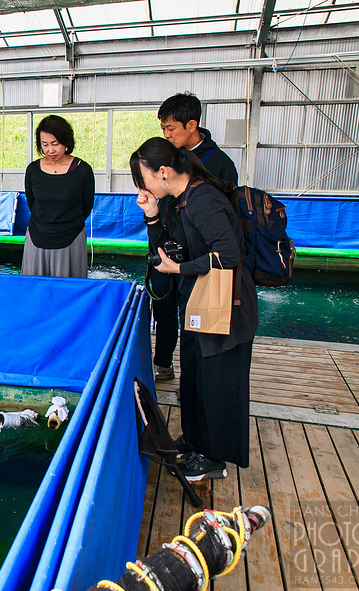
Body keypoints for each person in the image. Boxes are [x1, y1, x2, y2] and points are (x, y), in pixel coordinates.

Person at [130, 137, 257, 481]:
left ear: (164, 173)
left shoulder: (203, 199)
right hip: (199, 302)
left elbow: (228, 255)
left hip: (227, 307)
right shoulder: (177, 201)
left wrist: (179, 270)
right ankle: (196, 439)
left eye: (144, 179)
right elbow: (166, 254)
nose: (143, 186)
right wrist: (153, 216)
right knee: (195, 380)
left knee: (217, 384)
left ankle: (213, 458)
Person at [150, 93, 238, 382]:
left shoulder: (219, 163)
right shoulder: (166, 156)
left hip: (200, 259)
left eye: (170, 129)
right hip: (167, 249)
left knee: (195, 317)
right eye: (162, 128)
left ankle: (198, 375)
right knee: (163, 308)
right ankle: (163, 363)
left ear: (192, 125)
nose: (166, 134)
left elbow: (225, 227)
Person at [21, 115, 95, 278]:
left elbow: (87, 206)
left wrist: (67, 223)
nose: (50, 150)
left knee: (69, 288)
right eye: (45, 144)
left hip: (71, 237)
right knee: (36, 287)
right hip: (37, 236)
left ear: (66, 141)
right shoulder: (33, 170)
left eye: (55, 144)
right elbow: (32, 203)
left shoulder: (83, 171)